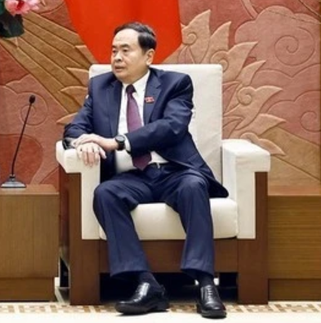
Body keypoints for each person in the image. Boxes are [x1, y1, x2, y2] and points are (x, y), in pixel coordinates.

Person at [64, 22, 228, 319]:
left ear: (149, 56)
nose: (116, 57)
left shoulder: (175, 84)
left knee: (194, 187)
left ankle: (205, 283)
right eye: (113, 50)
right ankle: (145, 283)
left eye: (126, 50)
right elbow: (75, 127)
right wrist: (81, 143)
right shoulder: (101, 88)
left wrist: (117, 142)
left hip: (174, 172)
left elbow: (171, 128)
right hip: (130, 178)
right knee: (105, 193)